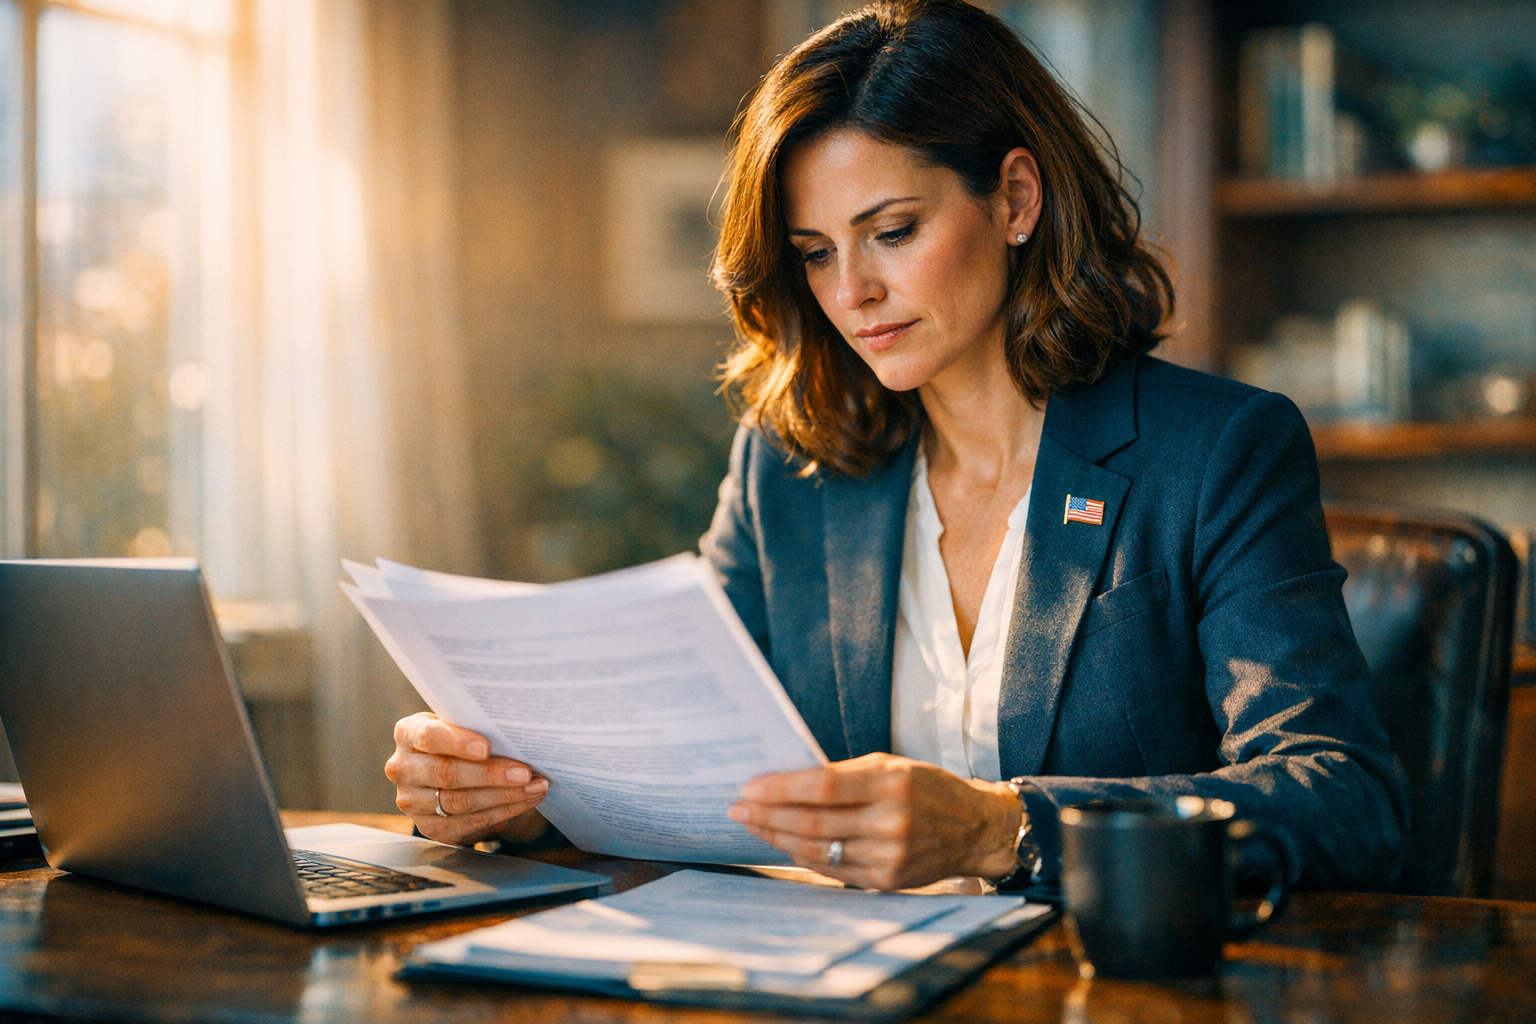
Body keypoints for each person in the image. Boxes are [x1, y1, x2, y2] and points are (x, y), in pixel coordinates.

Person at [386, 0, 1409, 892]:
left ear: (1015, 199)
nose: (852, 293)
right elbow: (685, 758)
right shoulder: (790, 468)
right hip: (845, 982)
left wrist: (1002, 827)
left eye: (893, 231)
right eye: (815, 253)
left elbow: (1344, 797)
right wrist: (518, 798)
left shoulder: (1217, 451)